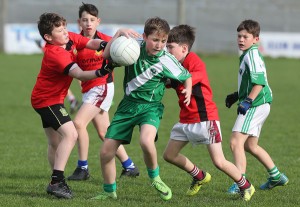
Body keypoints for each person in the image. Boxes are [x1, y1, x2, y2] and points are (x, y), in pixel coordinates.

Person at [31, 12, 139, 199]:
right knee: (71, 133)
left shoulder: (68, 39)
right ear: (48, 37)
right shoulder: (55, 53)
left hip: (51, 99)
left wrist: (108, 44)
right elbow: (80, 74)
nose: (65, 32)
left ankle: (56, 180)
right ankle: (57, 182)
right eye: (59, 30)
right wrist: (102, 71)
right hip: (46, 101)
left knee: (55, 142)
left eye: (65, 27)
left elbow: (91, 43)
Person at [91, 17, 192, 201]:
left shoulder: (167, 60)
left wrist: (188, 90)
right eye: (155, 40)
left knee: (146, 141)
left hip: (150, 107)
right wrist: (119, 33)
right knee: (106, 152)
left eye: (163, 41)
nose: (159, 45)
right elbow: (106, 55)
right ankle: (109, 191)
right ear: (144, 37)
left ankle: (155, 178)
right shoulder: (132, 47)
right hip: (127, 107)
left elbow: (186, 76)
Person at [162, 24, 255, 201]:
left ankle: (246, 186)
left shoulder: (195, 62)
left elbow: (188, 77)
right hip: (186, 119)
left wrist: (172, 78)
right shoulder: (175, 63)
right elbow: (168, 82)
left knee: (219, 161)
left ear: (184, 48)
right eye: (167, 47)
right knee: (169, 155)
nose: (167, 50)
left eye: (170, 47)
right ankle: (199, 176)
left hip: (205, 118)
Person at [67, 3, 139, 181]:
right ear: (79, 22)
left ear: (98, 21)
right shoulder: (75, 42)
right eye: (85, 20)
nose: (88, 23)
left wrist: (118, 34)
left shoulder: (106, 39)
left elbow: (112, 51)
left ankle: (82, 168)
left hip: (102, 87)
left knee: (78, 123)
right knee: (104, 132)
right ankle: (129, 165)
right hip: (88, 89)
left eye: (92, 20)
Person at [225, 19, 289, 194]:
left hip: (256, 104)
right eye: (239, 36)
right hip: (261, 103)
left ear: (256, 39)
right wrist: (237, 95)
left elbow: (259, 83)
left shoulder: (251, 55)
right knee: (250, 145)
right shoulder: (248, 54)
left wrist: (247, 101)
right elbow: (250, 82)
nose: (241, 39)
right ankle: (276, 176)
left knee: (235, 142)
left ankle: (241, 183)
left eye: (246, 36)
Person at [34, 39, 80, 114]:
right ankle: (73, 100)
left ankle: (78, 99)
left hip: (67, 61)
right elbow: (49, 52)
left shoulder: (67, 38)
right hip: (65, 61)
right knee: (63, 81)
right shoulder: (52, 42)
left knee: (77, 78)